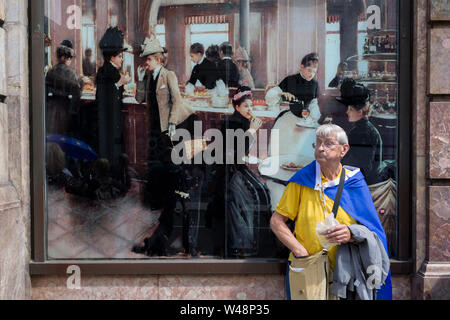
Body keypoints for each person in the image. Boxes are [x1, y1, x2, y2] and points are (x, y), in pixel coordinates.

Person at [270, 124, 392, 300]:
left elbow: (372, 229)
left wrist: (351, 233)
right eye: (318, 143)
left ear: (344, 149)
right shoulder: (301, 180)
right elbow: (276, 221)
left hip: (347, 273)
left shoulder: (354, 181)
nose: (320, 148)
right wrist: (301, 252)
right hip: (311, 270)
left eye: (328, 144)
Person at [206, 86, 272, 257]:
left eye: (251, 106)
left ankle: (256, 240)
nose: (249, 109)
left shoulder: (242, 121)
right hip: (226, 172)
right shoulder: (232, 123)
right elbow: (234, 153)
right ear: (236, 108)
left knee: (263, 190)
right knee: (252, 196)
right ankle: (244, 244)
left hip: (236, 166)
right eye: (245, 106)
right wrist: (251, 131)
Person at [95, 27, 131, 174]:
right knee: (110, 145)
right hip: (107, 117)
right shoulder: (106, 71)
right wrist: (119, 83)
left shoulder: (111, 70)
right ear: (112, 58)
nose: (122, 59)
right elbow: (104, 95)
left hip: (112, 116)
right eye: (120, 56)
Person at [337, 78, 383, 185]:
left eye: (351, 109)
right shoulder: (361, 128)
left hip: (363, 185)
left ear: (360, 111)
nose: (347, 112)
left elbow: (363, 168)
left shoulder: (362, 133)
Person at [45, 39, 84, 136]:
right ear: (64, 57)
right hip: (65, 111)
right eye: (69, 58)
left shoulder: (50, 72)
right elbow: (77, 93)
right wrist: (81, 83)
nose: (70, 61)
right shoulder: (71, 73)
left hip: (51, 112)